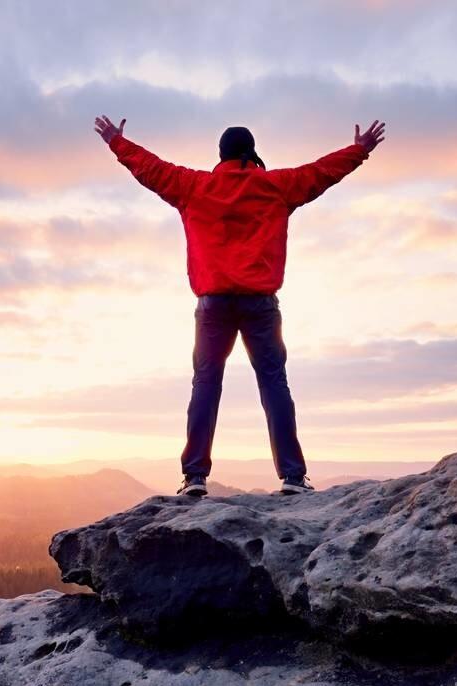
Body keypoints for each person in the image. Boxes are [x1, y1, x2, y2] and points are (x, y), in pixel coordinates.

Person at [94, 115, 385, 497]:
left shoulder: (194, 186)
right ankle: (293, 478)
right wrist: (359, 150)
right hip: (260, 304)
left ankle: (195, 477)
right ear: (252, 153)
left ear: (220, 155)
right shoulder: (275, 187)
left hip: (213, 305)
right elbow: (320, 173)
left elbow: (151, 169)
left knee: (205, 383)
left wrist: (117, 141)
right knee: (274, 383)